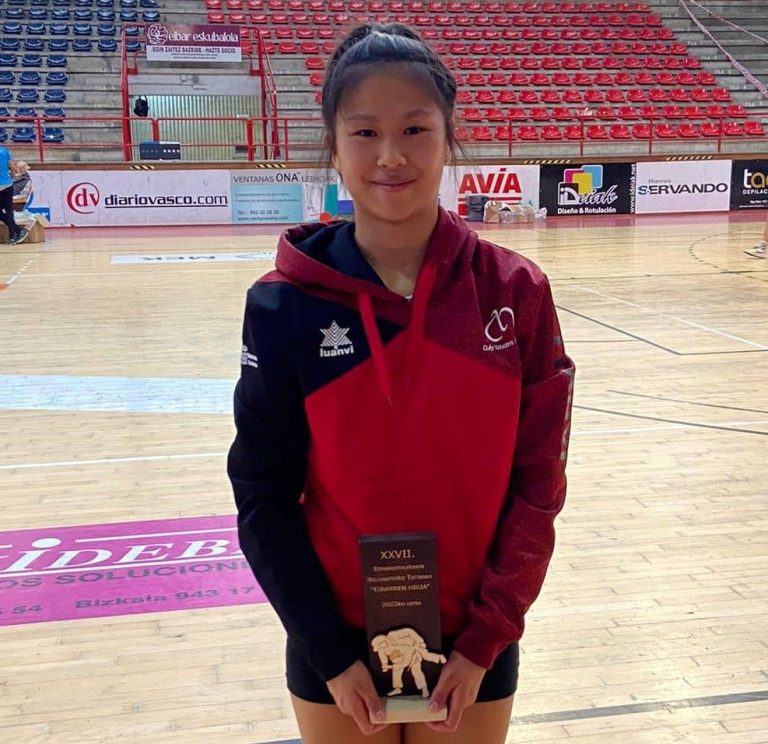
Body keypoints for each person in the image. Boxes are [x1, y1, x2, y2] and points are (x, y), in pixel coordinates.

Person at [228, 23, 575, 744]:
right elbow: (262, 496)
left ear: (449, 138)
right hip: (334, 643)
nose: (390, 155)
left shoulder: (515, 292)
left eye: (415, 129)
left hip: (476, 639)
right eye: (365, 132)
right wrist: (328, 652)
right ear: (333, 144)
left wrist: (486, 638)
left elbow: (538, 485)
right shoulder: (283, 305)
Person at [0, 145, 27, 245]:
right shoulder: (4, 150)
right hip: (7, 185)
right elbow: (13, 167)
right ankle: (14, 235)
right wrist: (11, 178)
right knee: (9, 211)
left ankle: (17, 232)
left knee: (7, 212)